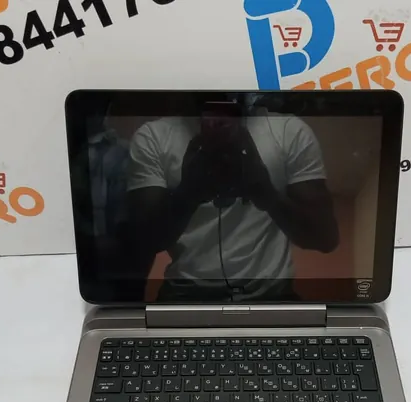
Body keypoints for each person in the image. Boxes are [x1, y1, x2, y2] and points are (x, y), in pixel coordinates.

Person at [125, 101, 339, 301]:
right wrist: (188, 193)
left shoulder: (289, 131)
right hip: (185, 299)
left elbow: (324, 238)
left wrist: (265, 192)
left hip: (272, 299)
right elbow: (140, 244)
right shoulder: (154, 136)